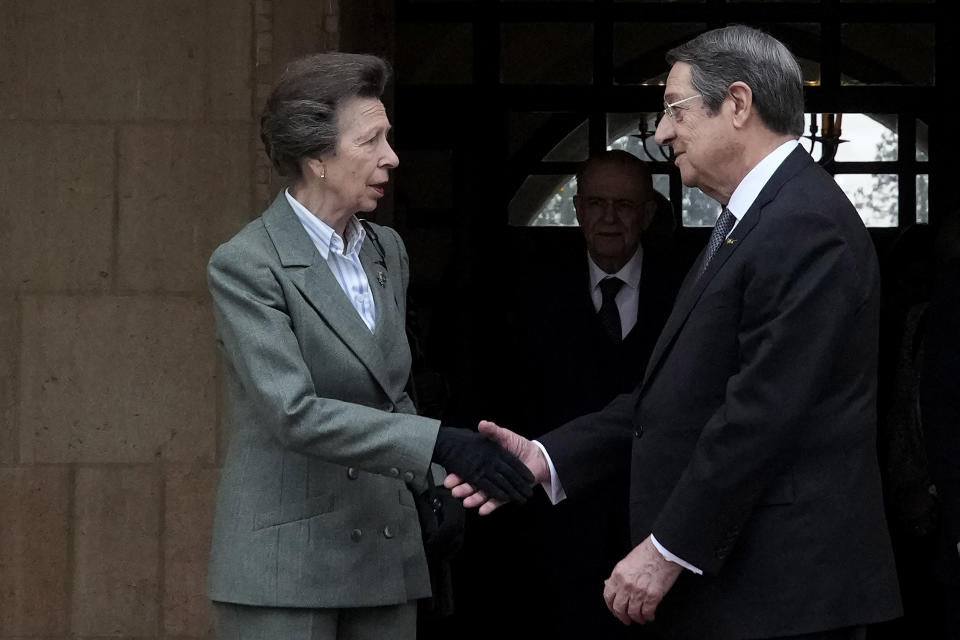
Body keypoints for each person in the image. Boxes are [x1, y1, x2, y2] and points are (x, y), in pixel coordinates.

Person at [449, 25, 902, 639]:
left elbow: (760, 416)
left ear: (737, 105)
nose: (661, 133)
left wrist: (666, 551)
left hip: (786, 593)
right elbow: (676, 396)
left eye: (674, 110)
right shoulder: (755, 220)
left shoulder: (802, 225)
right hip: (753, 591)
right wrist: (547, 458)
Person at [204, 52, 532, 640]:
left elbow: (393, 393)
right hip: (286, 569)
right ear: (316, 157)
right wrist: (440, 443)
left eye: (389, 137)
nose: (392, 157)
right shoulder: (247, 264)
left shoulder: (388, 250)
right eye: (371, 140)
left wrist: (436, 480)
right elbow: (292, 412)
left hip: (384, 555)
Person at [499, 150, 682, 640]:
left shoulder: (689, 287)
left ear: (647, 214)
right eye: (596, 203)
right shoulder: (530, 290)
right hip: (559, 525)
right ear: (577, 210)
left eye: (623, 205)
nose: (608, 217)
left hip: (660, 525)